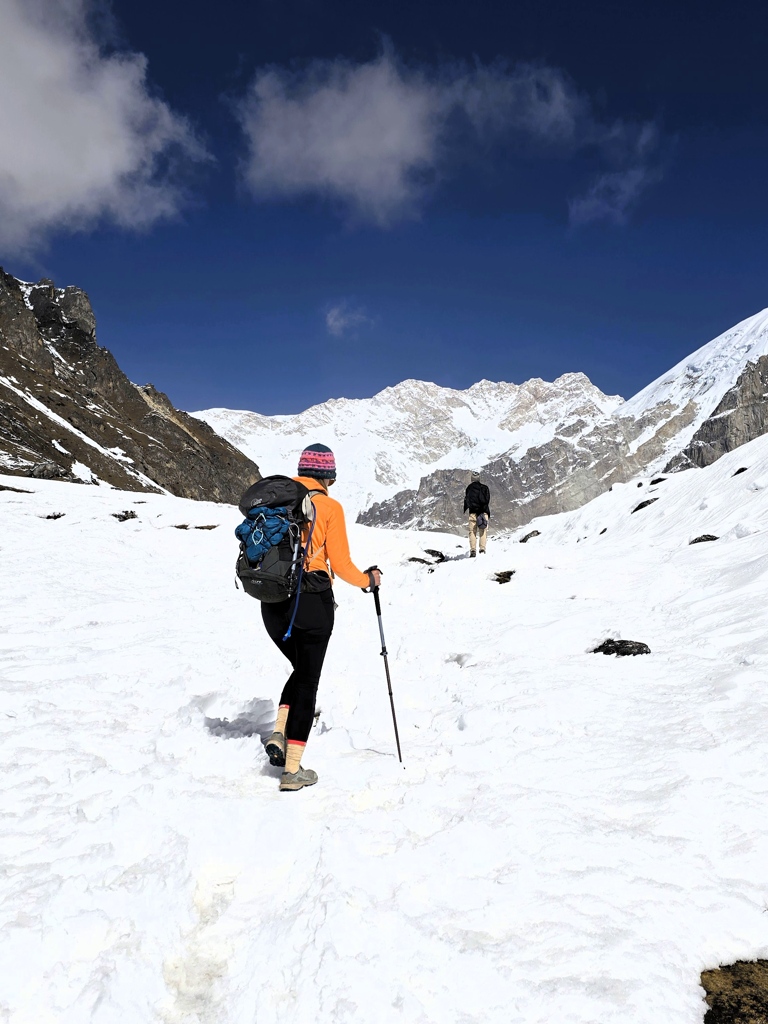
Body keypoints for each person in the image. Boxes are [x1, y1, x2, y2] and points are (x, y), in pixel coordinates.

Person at [262, 443, 381, 792]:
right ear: (328, 476)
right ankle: (293, 771)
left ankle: (278, 734)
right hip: (311, 602)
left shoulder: (276, 500)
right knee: (308, 681)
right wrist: (369, 580)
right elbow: (341, 566)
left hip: (271, 602)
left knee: (300, 670)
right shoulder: (327, 506)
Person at [463, 471, 490, 557]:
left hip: (473, 513)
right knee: (483, 530)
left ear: (472, 479)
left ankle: (473, 550)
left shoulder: (469, 488)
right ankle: (482, 549)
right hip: (483, 513)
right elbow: (487, 500)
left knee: (472, 532)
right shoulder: (485, 488)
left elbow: (467, 501)